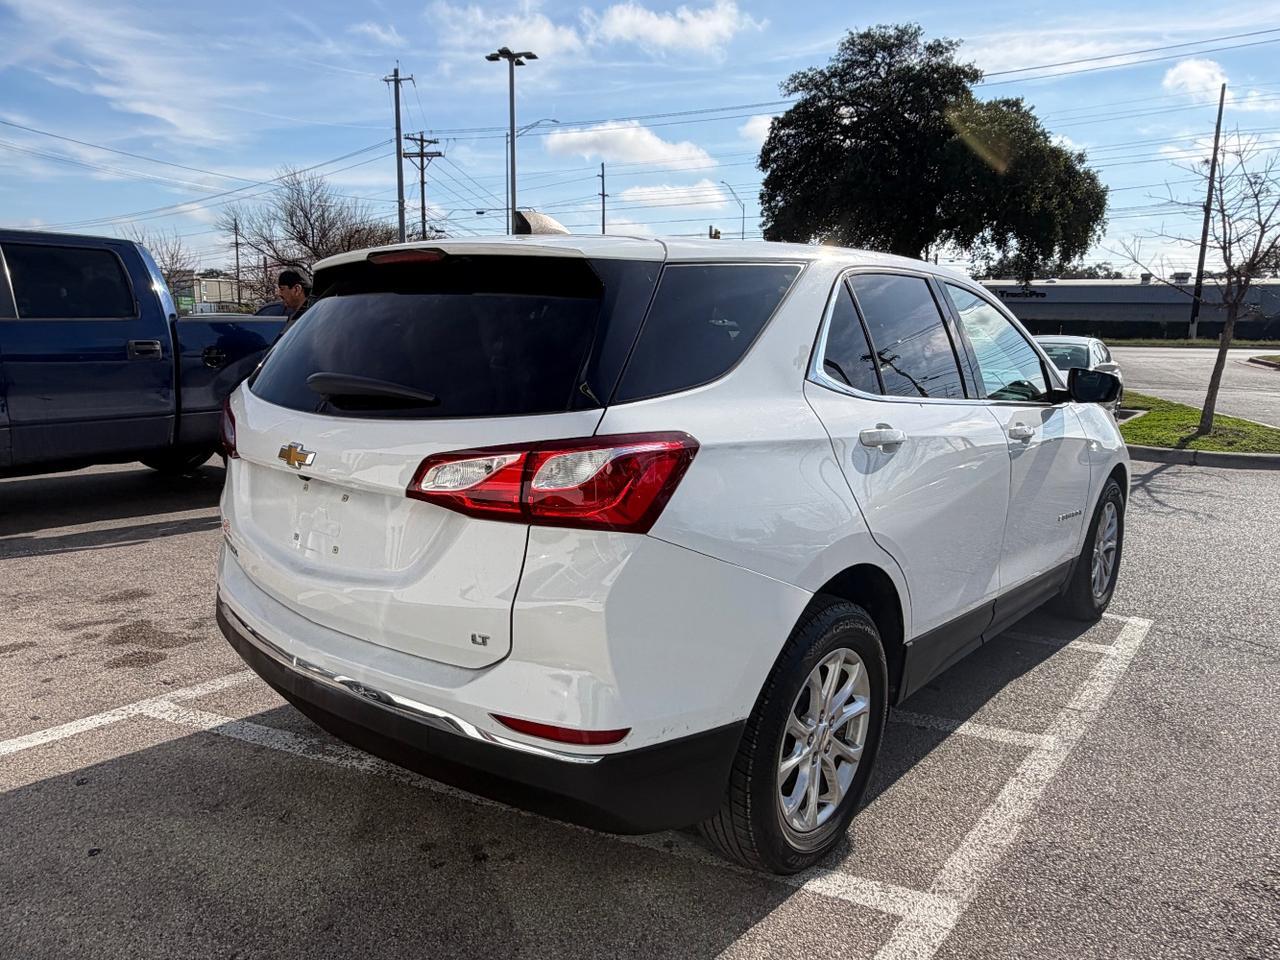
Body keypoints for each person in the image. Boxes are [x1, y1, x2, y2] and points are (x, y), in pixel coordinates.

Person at [276, 268, 313, 334]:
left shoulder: (311, 317)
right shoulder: (310, 312)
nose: (279, 294)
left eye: (282, 289)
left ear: (297, 289)